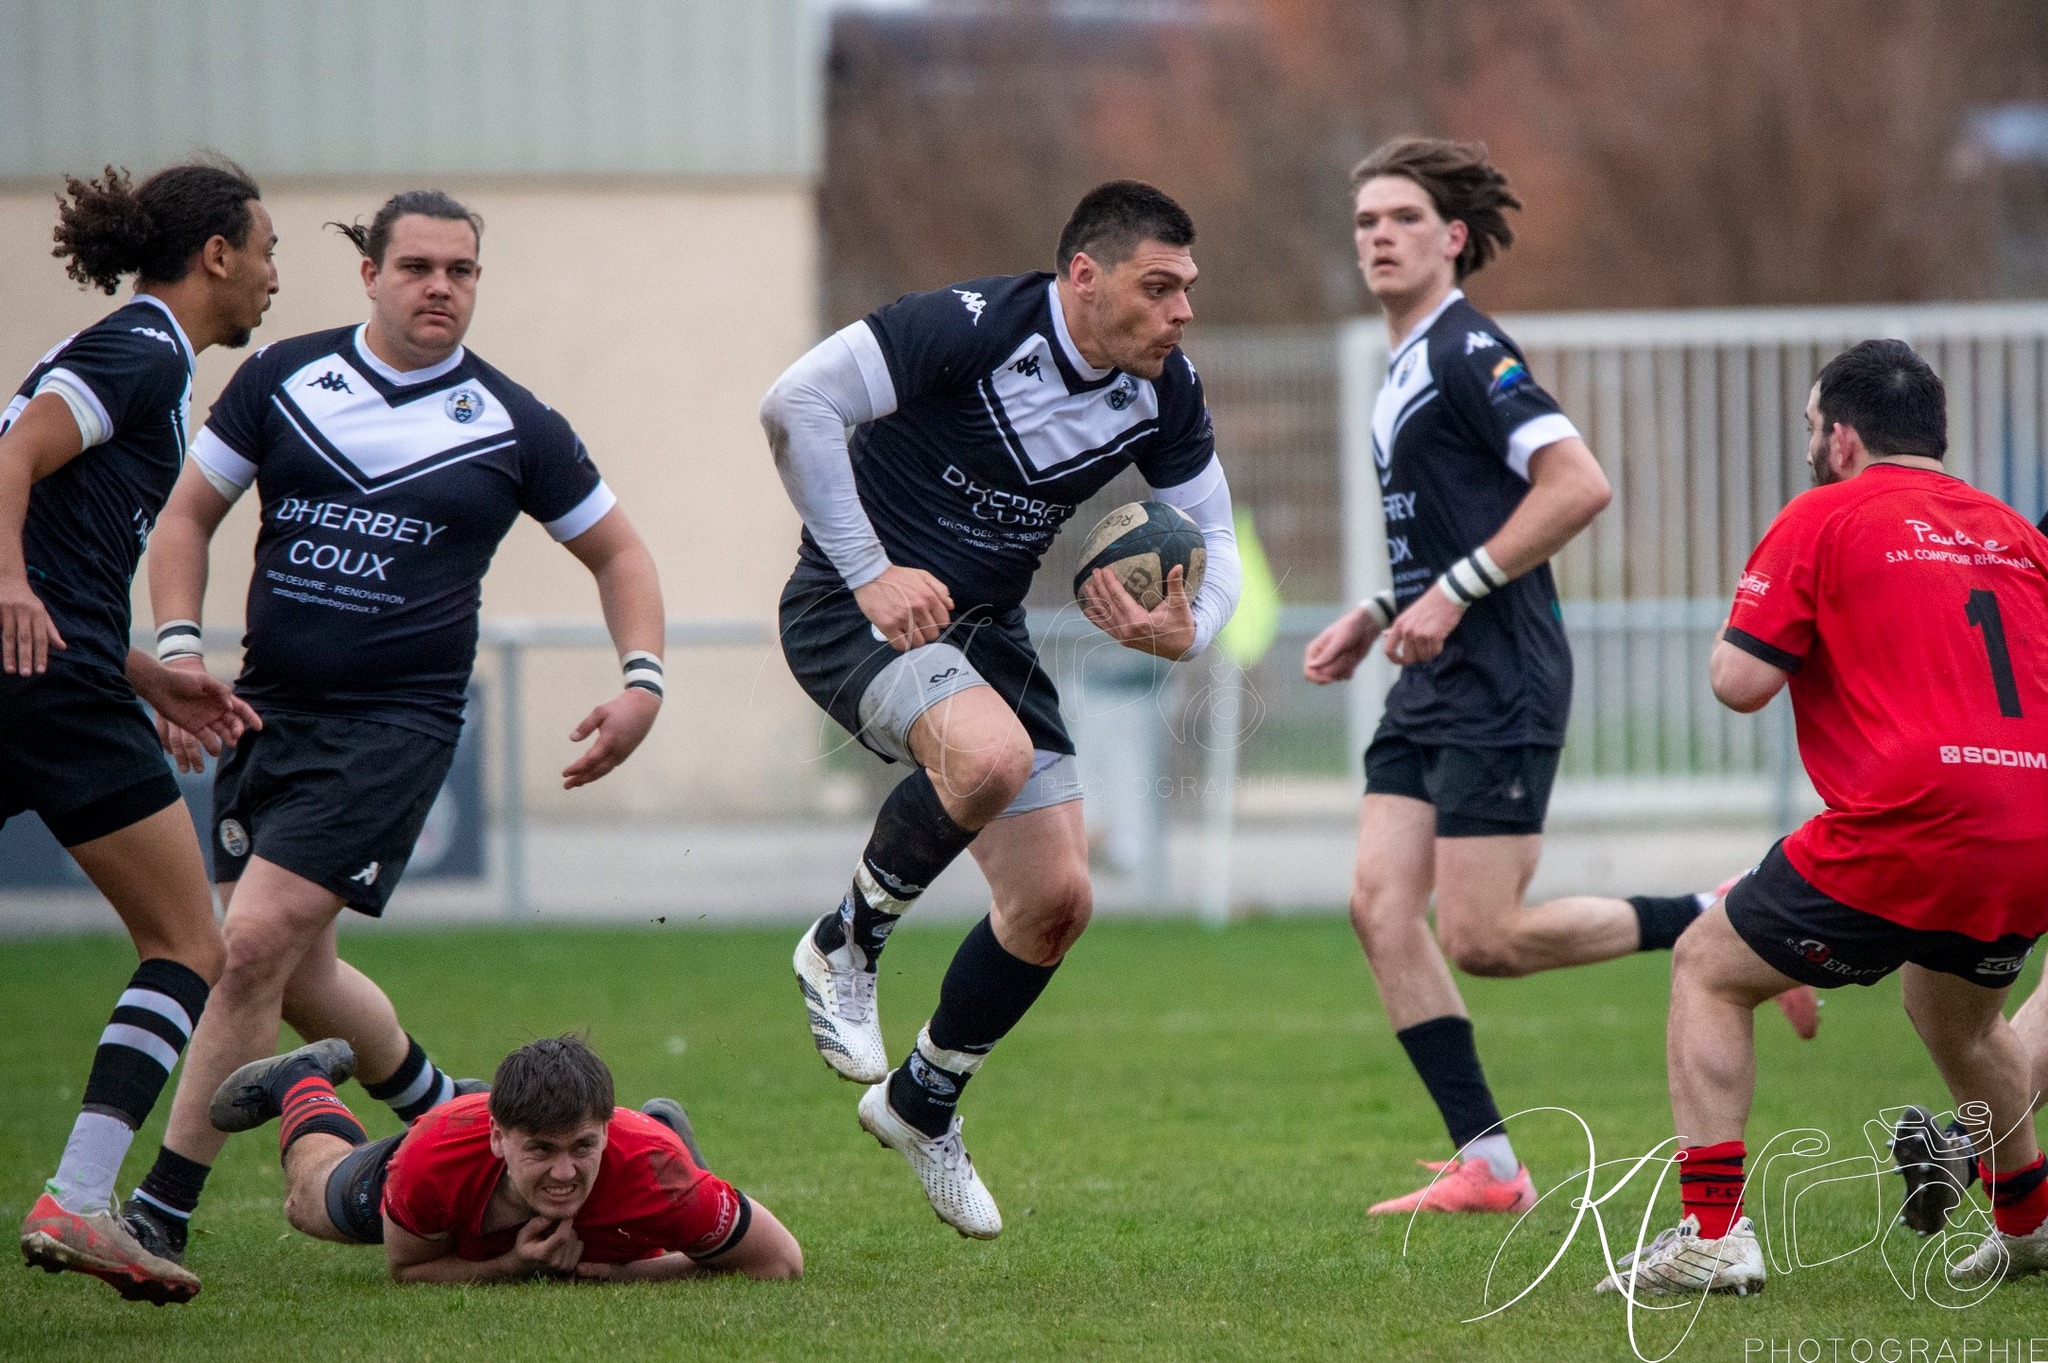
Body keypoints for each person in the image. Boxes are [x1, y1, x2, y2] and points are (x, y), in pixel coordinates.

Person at [122, 189, 668, 1268]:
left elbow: (621, 553)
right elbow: (188, 514)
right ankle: (436, 1102)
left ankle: (159, 1205)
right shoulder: (283, 381)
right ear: (368, 272)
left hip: (396, 726)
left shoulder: (513, 422)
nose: (439, 288)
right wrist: (177, 650)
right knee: (303, 967)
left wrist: (640, 681)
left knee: (251, 946)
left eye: (460, 271)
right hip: (264, 713)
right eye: (416, 266)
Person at [760, 180, 1241, 1238]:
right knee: (989, 760)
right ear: (1082, 276)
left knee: (1056, 900)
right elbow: (793, 404)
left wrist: (1185, 626)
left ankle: (921, 1101)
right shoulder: (967, 327)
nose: (1180, 312)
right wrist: (871, 570)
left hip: (981, 627)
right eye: (1157, 288)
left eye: (1187, 290)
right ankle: (843, 944)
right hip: (854, 609)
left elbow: (1220, 544)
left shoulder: (1163, 390)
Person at [1598, 340, 2048, 1298]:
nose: (1810, 444)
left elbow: (1740, 683)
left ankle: (1713, 1234)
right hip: (2033, 815)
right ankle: (2029, 1221)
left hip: (1918, 815)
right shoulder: (2016, 531)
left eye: (1811, 427)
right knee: (1957, 1016)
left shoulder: (1824, 515)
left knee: (1709, 967)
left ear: (1841, 436)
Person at [9, 160, 277, 1305]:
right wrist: (6, 584)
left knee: (186, 939)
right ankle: (79, 1195)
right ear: (216, 253)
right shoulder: (147, 349)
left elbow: (61, 559)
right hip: (42, 682)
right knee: (190, 942)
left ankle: (82, 1197)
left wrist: (147, 677)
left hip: (56, 668)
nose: (272, 279)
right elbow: (9, 455)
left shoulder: (144, 362)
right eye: (266, 252)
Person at [210, 1034, 801, 1282]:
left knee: (659, 1206)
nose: (566, 1173)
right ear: (500, 1137)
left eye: (583, 1147)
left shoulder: (651, 1167)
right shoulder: (432, 1162)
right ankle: (300, 1077)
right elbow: (408, 1270)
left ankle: (660, 1134)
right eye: (542, 1150)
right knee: (306, 1203)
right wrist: (510, 1266)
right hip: (448, 1144)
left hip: (646, 1167)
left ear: (606, 1132)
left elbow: (781, 1263)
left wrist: (622, 1273)